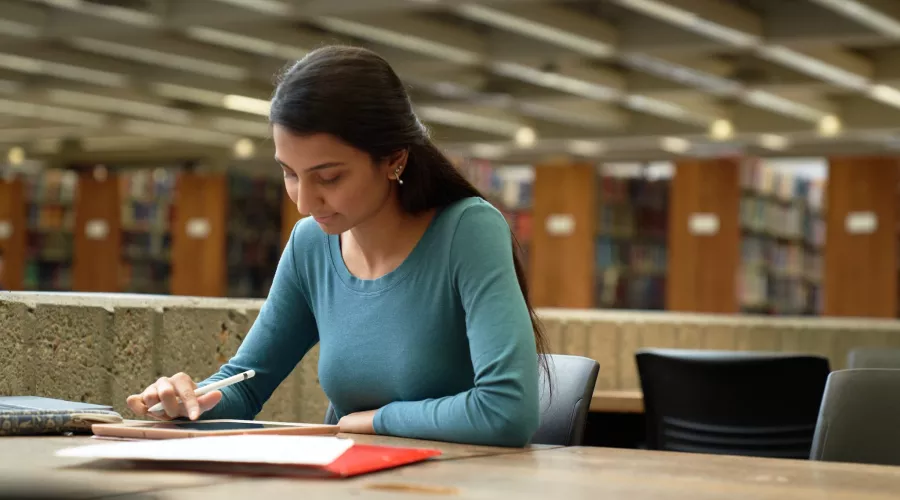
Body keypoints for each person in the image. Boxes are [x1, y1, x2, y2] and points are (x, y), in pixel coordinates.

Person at [126, 45, 550, 447]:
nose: (305, 204)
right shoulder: (310, 246)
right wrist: (189, 404)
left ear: (393, 159)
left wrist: (376, 419)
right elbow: (246, 384)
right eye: (290, 173)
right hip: (352, 480)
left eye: (328, 178)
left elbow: (506, 410)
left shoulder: (467, 231)